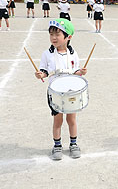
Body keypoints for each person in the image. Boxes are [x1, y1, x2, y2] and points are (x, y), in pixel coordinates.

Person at [35, 18, 87, 160]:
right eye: (51, 34)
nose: (53, 38)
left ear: (68, 37)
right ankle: (57, 146)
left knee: (72, 119)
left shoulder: (73, 53)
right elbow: (44, 71)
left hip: (71, 91)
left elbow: (75, 70)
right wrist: (41, 74)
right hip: (55, 91)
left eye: (57, 34)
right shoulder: (47, 54)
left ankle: (73, 144)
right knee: (58, 120)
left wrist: (80, 72)